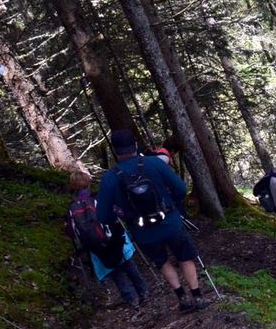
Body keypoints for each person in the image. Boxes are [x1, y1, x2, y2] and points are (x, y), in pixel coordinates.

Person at [97, 128, 206, 312]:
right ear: (135, 145)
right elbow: (180, 189)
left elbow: (102, 216)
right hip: (170, 222)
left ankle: (182, 297)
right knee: (185, 257)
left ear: (115, 151)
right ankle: (197, 296)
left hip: (143, 232)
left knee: (162, 261)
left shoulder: (110, 177)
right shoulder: (154, 163)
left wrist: (120, 214)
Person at [66, 171, 149, 309]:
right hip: (113, 238)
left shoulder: (72, 208)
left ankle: (132, 300)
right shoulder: (97, 199)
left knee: (116, 273)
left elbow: (71, 232)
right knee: (128, 265)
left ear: (73, 186)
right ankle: (144, 292)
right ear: (88, 182)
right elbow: (117, 213)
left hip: (96, 248)